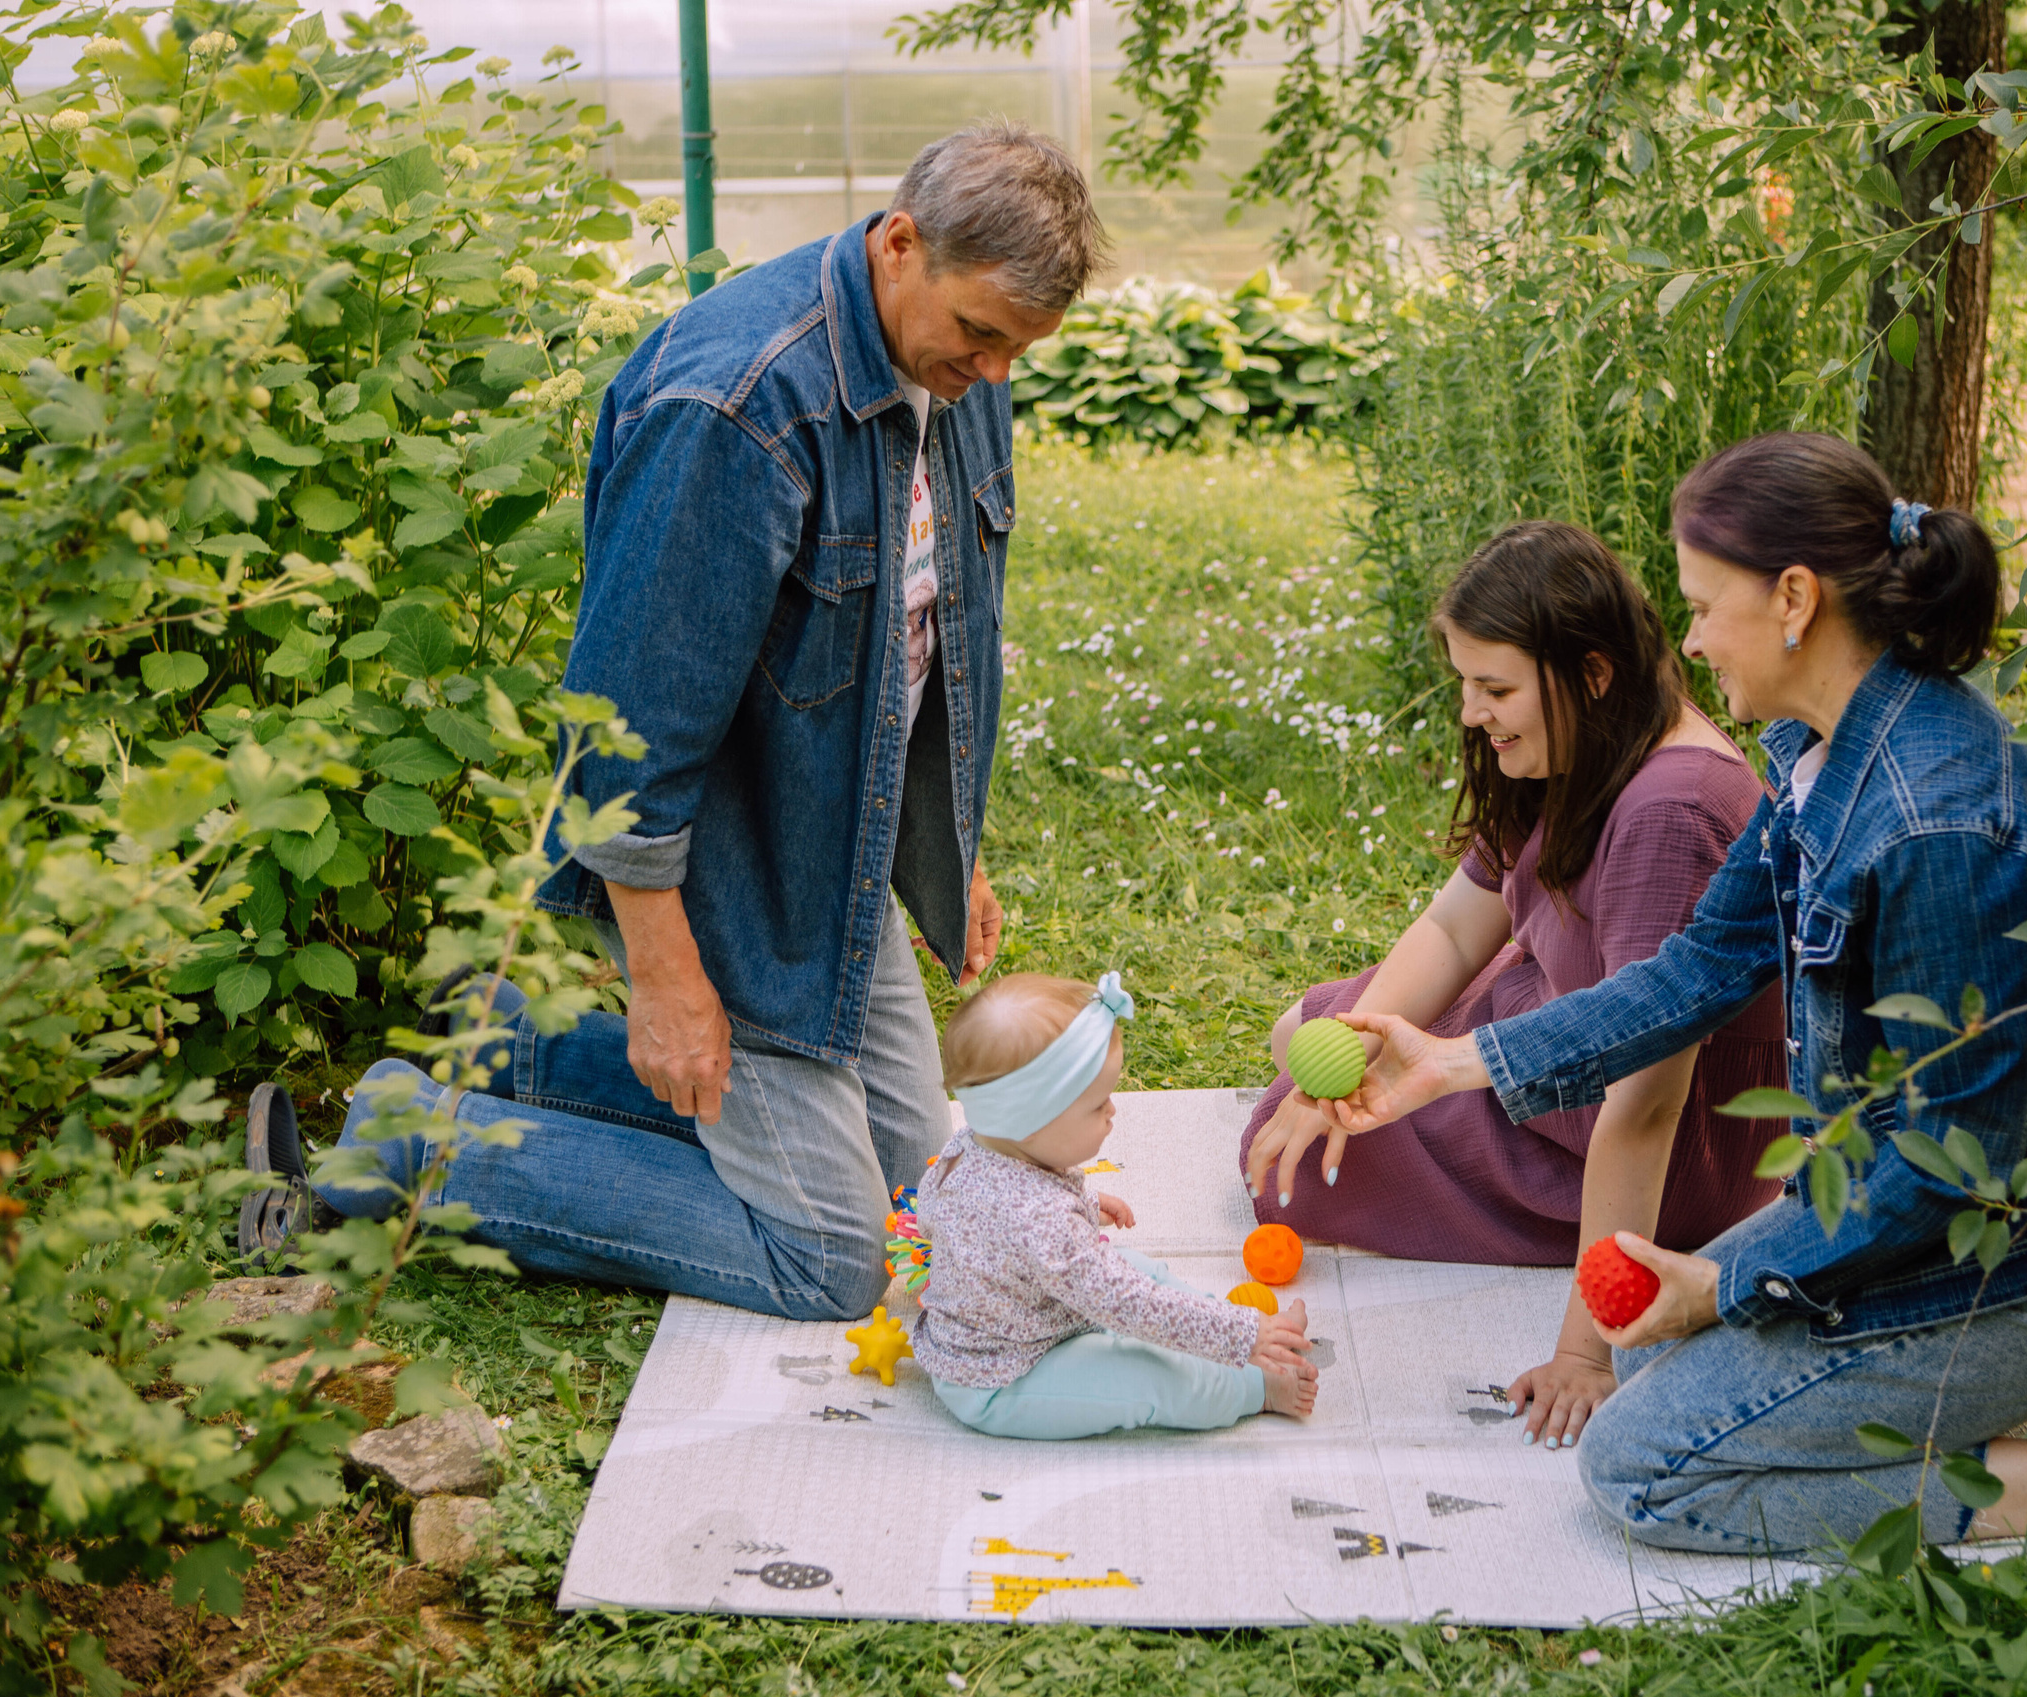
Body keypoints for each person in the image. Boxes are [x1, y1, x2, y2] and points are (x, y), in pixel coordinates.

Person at [1312, 433, 2027, 1553]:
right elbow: (1697, 969)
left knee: (1641, 1469)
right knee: (1643, 1343)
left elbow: (1958, 1164)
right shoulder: (1822, 749)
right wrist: (1454, 1062)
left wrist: (1724, 1285)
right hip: (1920, 1213)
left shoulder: (1935, 825)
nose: (1690, 640)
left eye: (1705, 606)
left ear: (1793, 599)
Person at [239, 123, 1106, 1321]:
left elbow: (922, 634)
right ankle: (405, 1143)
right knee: (841, 1258)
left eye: (1020, 348)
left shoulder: (953, 372)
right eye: (981, 334)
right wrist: (667, 980)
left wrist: (944, 846)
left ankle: (506, 1049)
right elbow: (625, 736)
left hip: (829, 857)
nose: (997, 373)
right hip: (722, 874)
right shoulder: (734, 407)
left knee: (925, 1194)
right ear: (902, 244)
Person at [1239, 520, 1787, 1454]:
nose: (1471, 713)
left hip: (1659, 1134)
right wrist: (1358, 1046)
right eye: (1466, 684)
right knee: (1303, 1038)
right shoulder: (1581, 745)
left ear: (1592, 673)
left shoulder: (1670, 811)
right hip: (1548, 1011)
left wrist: (1587, 1347)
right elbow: (1457, 927)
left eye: (1494, 689)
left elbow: (1647, 1102)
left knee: (1288, 1155)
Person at [912, 972, 1320, 1438]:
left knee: (1134, 1268)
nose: (1113, 1111)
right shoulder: (1041, 1223)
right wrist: (1239, 1336)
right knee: (1144, 1376)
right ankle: (1258, 1384)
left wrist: (1081, 1205)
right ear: (1030, 1122)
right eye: (1098, 1104)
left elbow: (951, 1213)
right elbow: (1128, 1305)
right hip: (1004, 1376)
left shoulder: (967, 1147)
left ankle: (1254, 1336)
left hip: (1039, 1313)